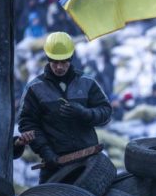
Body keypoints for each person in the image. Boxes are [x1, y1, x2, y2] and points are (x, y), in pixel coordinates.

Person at [19, 32, 112, 182]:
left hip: (89, 160)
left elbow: (106, 112)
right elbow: (28, 124)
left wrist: (85, 113)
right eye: (54, 62)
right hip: (54, 164)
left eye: (63, 62)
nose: (59, 67)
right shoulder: (34, 88)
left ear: (71, 58)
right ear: (48, 58)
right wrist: (46, 153)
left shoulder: (87, 82)